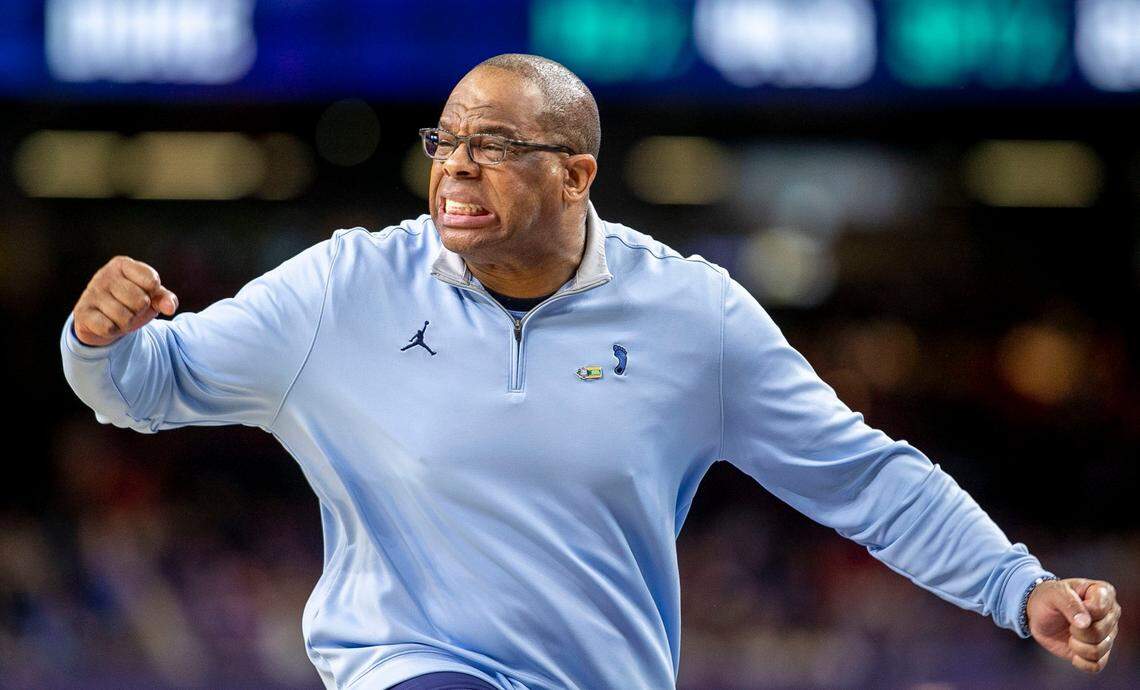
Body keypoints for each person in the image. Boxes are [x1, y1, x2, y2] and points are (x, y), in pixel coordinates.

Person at [61, 54, 1120, 690]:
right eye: (446, 141)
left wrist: (1014, 586)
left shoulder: (692, 316)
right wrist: (100, 341)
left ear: (576, 176)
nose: (458, 165)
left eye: (495, 144)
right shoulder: (346, 288)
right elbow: (148, 389)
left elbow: (865, 477)